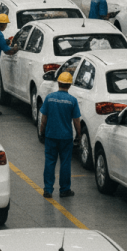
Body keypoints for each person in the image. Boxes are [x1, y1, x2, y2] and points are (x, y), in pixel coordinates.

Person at [38, 71, 81, 199]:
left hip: (51, 136)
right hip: (66, 137)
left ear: (58, 83)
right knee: (65, 163)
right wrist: (78, 135)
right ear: (69, 85)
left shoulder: (49, 98)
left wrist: (42, 132)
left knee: (50, 162)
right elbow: (76, 121)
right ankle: (64, 190)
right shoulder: (72, 101)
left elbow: (43, 118)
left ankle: (48, 189)